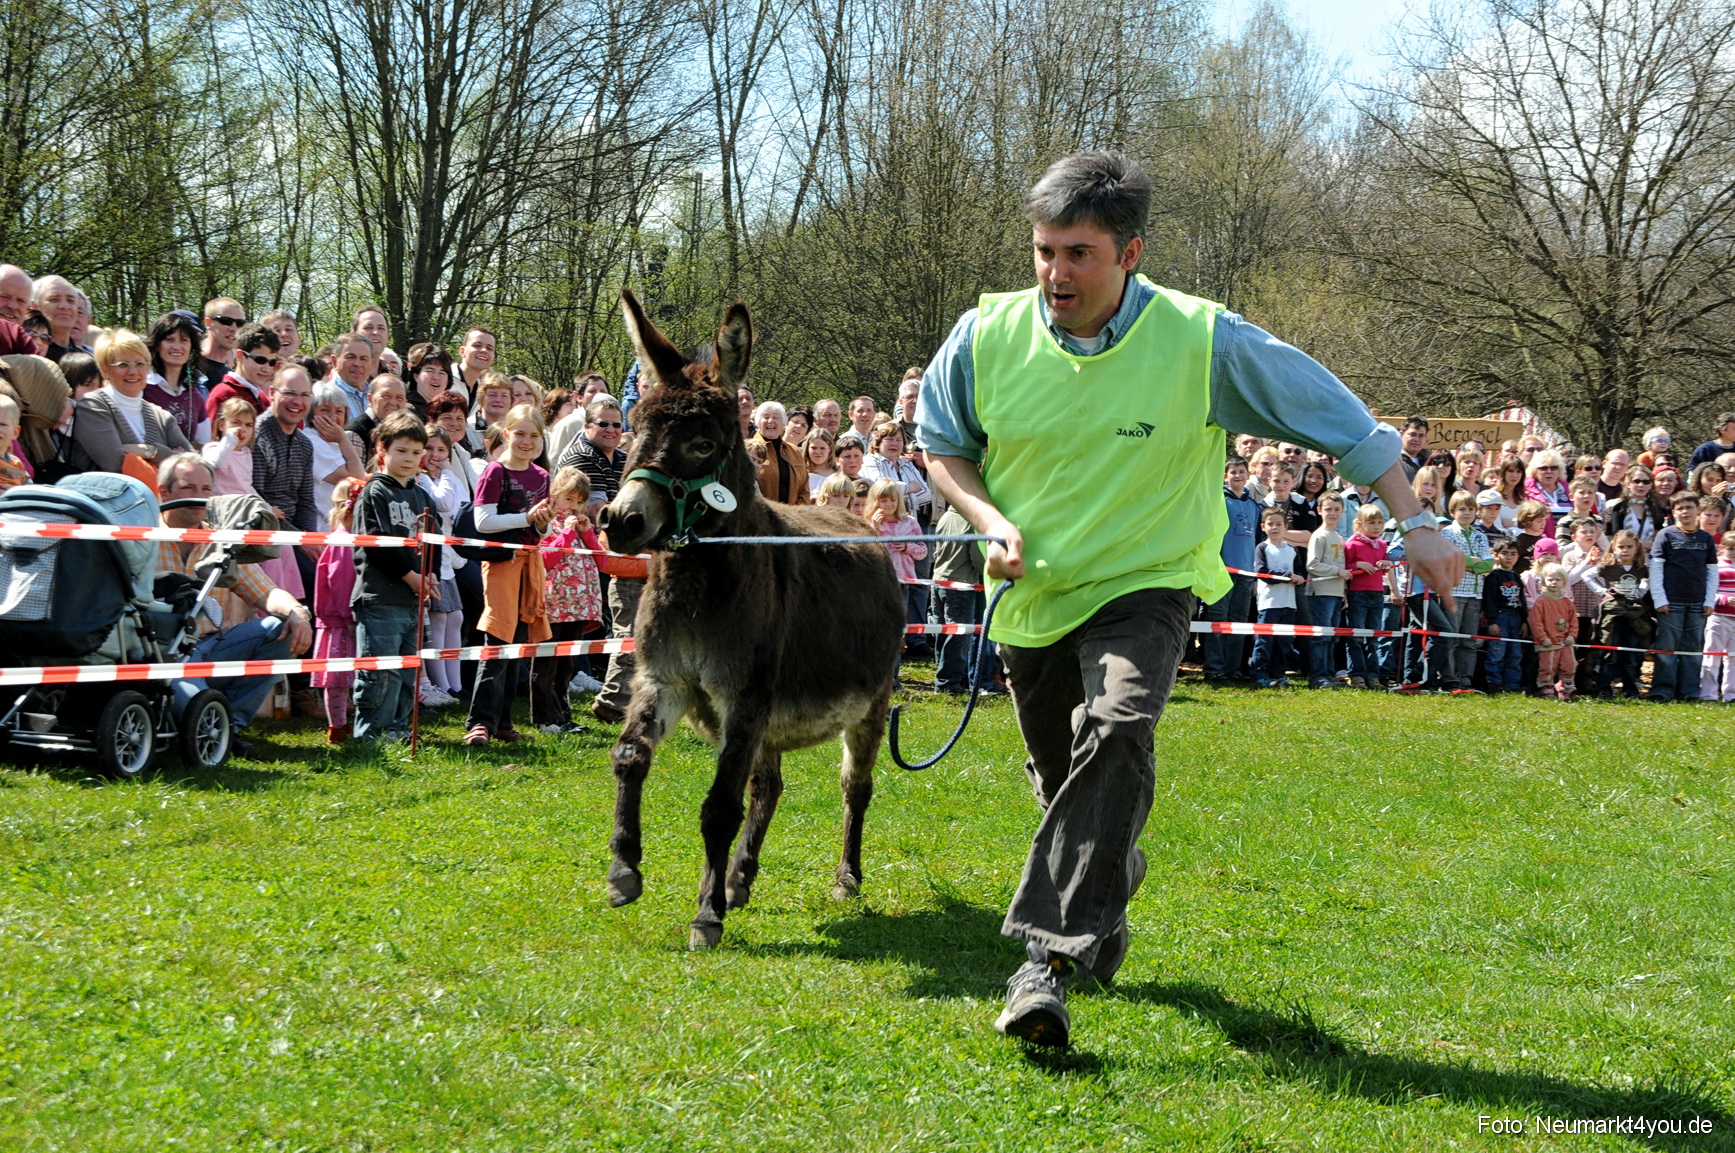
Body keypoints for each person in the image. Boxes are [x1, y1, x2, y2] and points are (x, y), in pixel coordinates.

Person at [917, 152, 1461, 1047]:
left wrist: (1417, 522)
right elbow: (943, 445)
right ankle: (1110, 871)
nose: (1056, 273)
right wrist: (987, 518)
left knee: (1117, 727)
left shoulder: (1203, 341)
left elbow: (1338, 418)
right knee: (1064, 780)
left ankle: (1041, 967)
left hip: (1148, 580)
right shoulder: (984, 335)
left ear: (1129, 253)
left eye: (1079, 254)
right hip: (1033, 588)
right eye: (1045, 251)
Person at [155, 453, 312, 749]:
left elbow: (266, 593)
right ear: (164, 492)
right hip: (161, 651)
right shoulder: (140, 538)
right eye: (189, 488)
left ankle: (231, 727)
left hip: (213, 647)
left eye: (206, 489)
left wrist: (297, 612)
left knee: (281, 626)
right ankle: (210, 726)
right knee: (192, 709)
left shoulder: (222, 542)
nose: (199, 497)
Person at [465, 404, 554, 745]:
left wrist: (542, 524)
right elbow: (483, 522)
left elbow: (543, 531)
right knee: (497, 641)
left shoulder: (542, 476)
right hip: (502, 565)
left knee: (516, 644)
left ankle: (502, 721)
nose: (527, 441)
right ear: (506, 434)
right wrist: (526, 518)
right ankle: (479, 722)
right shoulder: (494, 471)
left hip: (530, 564)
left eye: (534, 435)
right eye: (520, 434)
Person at [350, 413, 434, 743]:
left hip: (413, 599)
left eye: (415, 452)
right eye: (401, 451)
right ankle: (371, 735)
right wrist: (412, 577)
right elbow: (377, 544)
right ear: (382, 450)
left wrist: (430, 576)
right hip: (380, 598)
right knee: (380, 671)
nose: (409, 459)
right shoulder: (374, 492)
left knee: (407, 670)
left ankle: (398, 731)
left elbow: (434, 541)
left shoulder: (422, 496)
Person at [531, 466, 603, 734]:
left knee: (565, 666)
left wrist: (588, 533)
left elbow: (602, 562)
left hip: (578, 606)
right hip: (554, 605)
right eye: (569, 499)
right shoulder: (546, 523)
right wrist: (568, 533)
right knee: (546, 664)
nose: (574, 507)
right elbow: (545, 559)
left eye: (580, 502)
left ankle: (563, 716)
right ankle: (544, 718)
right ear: (554, 495)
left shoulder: (581, 527)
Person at [69, 329, 194, 478]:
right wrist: (172, 458)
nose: (133, 371)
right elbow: (115, 463)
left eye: (140, 364)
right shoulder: (93, 406)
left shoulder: (161, 416)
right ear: (105, 369)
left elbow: (193, 465)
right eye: (123, 365)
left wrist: (151, 451)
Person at [252, 366, 318, 599]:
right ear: (272, 393)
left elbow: (306, 501)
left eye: (304, 395)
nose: (297, 402)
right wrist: (301, 540)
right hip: (266, 534)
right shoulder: (257, 436)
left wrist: (310, 538)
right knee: (314, 578)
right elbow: (258, 501)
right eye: (290, 393)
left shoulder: (304, 444)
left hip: (296, 535)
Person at [1648, 491, 1718, 702]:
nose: (1685, 511)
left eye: (1689, 507)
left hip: (1698, 602)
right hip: (1671, 602)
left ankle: (1689, 691)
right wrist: (1659, 599)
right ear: (1673, 511)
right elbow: (1656, 569)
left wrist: (1709, 600)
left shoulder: (1706, 538)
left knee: (1692, 649)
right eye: (1680, 508)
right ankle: (1662, 690)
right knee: (1667, 648)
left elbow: (1712, 572)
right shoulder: (1666, 535)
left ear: (1698, 510)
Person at [416, 425, 467, 707]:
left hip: (447, 557)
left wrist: (448, 475)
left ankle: (456, 684)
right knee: (438, 617)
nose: (435, 455)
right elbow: (444, 503)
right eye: (429, 449)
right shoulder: (422, 479)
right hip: (430, 556)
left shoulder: (446, 478)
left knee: (455, 617)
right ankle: (442, 685)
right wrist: (447, 471)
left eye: (441, 450)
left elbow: (462, 505)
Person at [313, 477, 362, 743]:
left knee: (340, 678)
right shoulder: (345, 541)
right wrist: (349, 615)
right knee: (337, 679)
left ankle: (340, 724)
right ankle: (338, 725)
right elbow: (341, 581)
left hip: (338, 617)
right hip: (340, 619)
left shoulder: (343, 537)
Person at [1202, 456, 1259, 683]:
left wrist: (1255, 577)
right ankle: (1214, 668)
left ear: (1248, 475)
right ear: (1225, 476)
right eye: (1232, 472)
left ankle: (1233, 668)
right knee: (1218, 618)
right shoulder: (1219, 501)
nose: (1237, 475)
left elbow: (1256, 542)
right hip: (1221, 572)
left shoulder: (1254, 506)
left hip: (1246, 575)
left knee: (1239, 621)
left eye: (1241, 471)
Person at [1438, 490, 1492, 691]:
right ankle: (1449, 678)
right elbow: (1447, 560)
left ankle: (1465, 679)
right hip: (1455, 592)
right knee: (1451, 639)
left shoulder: (1480, 536)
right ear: (1453, 511)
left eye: (1470, 509)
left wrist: (1466, 564)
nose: (1467, 513)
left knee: (1469, 641)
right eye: (1462, 509)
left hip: (1475, 594)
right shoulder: (1447, 534)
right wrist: (1471, 562)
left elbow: (1489, 564)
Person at [866, 476, 928, 641]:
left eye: (893, 500)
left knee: (897, 623)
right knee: (877, 622)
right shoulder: (868, 522)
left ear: (899, 500)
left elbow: (923, 551)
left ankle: (897, 654)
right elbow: (866, 550)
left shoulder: (909, 522)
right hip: (878, 580)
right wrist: (875, 528)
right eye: (883, 500)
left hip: (902, 582)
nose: (889, 504)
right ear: (875, 501)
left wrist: (908, 547)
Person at [1250, 507, 1303, 687]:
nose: (1274, 527)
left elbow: (1300, 571)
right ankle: (1259, 673)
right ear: (1263, 527)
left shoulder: (1292, 549)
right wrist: (1288, 576)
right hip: (1269, 604)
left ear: (1285, 527)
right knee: (1264, 640)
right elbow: (1262, 572)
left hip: (1289, 603)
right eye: (1270, 524)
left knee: (1284, 641)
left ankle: (1278, 674)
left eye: (1279, 524)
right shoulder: (1262, 548)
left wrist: (1299, 578)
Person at [1594, 530, 1650, 698]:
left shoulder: (1641, 568)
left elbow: (1648, 580)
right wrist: (1603, 592)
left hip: (1634, 614)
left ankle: (1630, 690)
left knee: (1631, 654)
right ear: (1614, 548)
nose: (1625, 550)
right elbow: (1587, 575)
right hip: (1613, 615)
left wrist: (1640, 592)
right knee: (1610, 652)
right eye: (1621, 547)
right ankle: (1604, 689)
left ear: (1636, 548)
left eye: (1629, 547)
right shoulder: (1608, 567)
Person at [1342, 503, 1391, 690]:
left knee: (1374, 637)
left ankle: (1373, 676)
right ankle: (1357, 675)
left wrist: (1385, 564)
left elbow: (1384, 569)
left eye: (1380, 522)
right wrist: (1358, 565)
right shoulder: (1351, 544)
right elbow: (1344, 567)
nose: (1377, 527)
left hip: (1377, 593)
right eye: (1371, 523)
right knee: (1356, 637)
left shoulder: (1382, 544)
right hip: (1358, 594)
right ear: (1359, 524)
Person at [1303, 492, 1349, 689]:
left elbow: (1342, 565)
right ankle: (1318, 675)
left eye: (1337, 509)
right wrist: (1336, 571)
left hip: (1336, 593)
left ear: (1342, 512)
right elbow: (1312, 565)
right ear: (1319, 510)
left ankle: (1329, 674)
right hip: (1320, 592)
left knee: (1332, 636)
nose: (1332, 513)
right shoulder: (1319, 535)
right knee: (1321, 636)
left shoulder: (1338, 537)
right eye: (1328, 509)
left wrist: (1343, 591)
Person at [143, 310, 210, 444]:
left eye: (184, 340)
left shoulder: (194, 395)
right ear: (157, 345)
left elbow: (204, 442)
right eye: (169, 340)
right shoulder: (143, 388)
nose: (177, 347)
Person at [307, 381, 369, 521]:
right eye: (325, 410)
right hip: (322, 524)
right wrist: (343, 438)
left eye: (339, 411)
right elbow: (355, 480)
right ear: (311, 414)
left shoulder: (335, 441)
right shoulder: (312, 441)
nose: (333, 418)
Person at [202, 322, 279, 420]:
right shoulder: (223, 394)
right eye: (260, 360)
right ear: (240, 356)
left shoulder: (261, 397)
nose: (266, 369)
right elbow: (210, 429)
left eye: (272, 362)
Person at [1481, 539, 1526, 693]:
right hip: (1500, 617)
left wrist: (1524, 620)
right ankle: (1494, 682)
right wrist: (1492, 621)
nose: (1509, 557)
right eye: (1505, 553)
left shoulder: (1516, 576)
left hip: (1516, 617)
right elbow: (1489, 601)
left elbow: (1522, 599)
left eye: (1513, 554)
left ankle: (1512, 684)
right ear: (1496, 555)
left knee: (1515, 652)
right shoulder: (1493, 576)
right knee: (1497, 651)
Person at [1529, 563, 1578, 700]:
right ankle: (1546, 686)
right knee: (1548, 666)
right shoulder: (1541, 602)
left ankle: (1564, 687)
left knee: (1570, 664)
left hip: (1565, 642)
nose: (1554, 582)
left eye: (1557, 579)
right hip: (1548, 642)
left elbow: (1573, 621)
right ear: (1544, 581)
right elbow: (1535, 621)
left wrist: (1572, 635)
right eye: (1550, 579)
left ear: (1564, 582)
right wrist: (1543, 637)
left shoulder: (1567, 602)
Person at [746, 401, 809, 504]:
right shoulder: (748, 450)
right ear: (758, 422)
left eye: (775, 417)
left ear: (784, 423)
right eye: (766, 417)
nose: (770, 421)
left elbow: (804, 490)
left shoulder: (795, 452)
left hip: (793, 513)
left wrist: (797, 511)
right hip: (760, 512)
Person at [1701, 533, 1735, 702]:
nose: (1734, 553)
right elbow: (1706, 592)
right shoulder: (1717, 567)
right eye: (1731, 549)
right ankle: (1708, 694)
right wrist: (1723, 599)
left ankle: (1731, 694)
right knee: (1712, 656)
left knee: (1733, 658)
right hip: (1719, 617)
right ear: (1721, 548)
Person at [201, 397, 256, 496]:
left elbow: (246, 486)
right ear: (221, 425)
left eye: (248, 425)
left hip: (242, 501)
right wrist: (230, 438)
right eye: (236, 423)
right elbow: (218, 464)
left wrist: (264, 504)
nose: (242, 429)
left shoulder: (246, 453)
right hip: (222, 502)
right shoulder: (212, 448)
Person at [346, 373, 408, 450]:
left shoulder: (407, 431)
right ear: (370, 399)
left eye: (399, 398)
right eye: (386, 396)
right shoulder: (355, 434)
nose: (393, 402)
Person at [327, 333, 377, 421]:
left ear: (372, 364)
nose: (358, 364)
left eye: (363, 359)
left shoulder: (377, 395)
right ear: (334, 361)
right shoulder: (326, 397)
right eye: (351, 357)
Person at [199, 297, 245, 385]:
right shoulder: (190, 367)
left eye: (240, 323)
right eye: (226, 321)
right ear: (208, 323)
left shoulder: (233, 377)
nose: (234, 328)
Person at [406, 342, 454, 418]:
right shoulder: (407, 411)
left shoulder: (452, 411)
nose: (436, 377)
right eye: (430, 371)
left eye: (442, 373)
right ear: (416, 376)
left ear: (448, 381)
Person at [454, 327, 497, 398]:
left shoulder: (483, 392)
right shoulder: (444, 380)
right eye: (477, 345)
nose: (484, 350)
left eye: (489, 348)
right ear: (462, 351)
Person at [0, 395, 30, 488]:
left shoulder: (16, 464)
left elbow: (29, 489)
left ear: (15, 432)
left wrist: (17, 492)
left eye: (2, 424)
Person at [802, 428, 837, 497]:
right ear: (807, 448)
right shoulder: (800, 472)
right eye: (814, 448)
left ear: (830, 448)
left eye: (822, 448)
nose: (818, 452)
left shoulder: (837, 475)